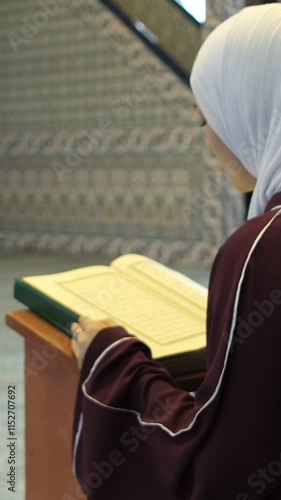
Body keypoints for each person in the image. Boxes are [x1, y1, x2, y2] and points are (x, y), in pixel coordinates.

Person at [70, 4, 281, 499]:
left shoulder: (262, 251)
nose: (210, 138)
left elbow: (218, 466)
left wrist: (113, 360)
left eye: (210, 116)